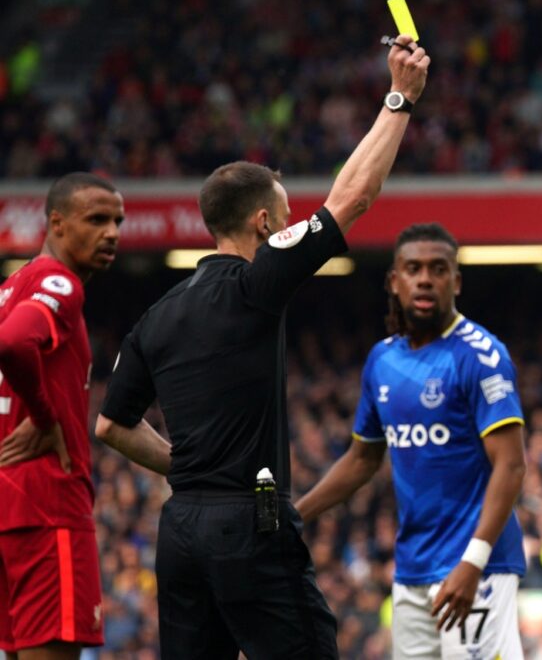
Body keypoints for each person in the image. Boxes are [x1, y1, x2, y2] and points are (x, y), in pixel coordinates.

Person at [93, 35, 430, 659]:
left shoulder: (156, 316)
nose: (292, 219)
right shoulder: (258, 281)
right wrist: (399, 99)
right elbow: (351, 198)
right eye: (285, 212)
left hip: (181, 530)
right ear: (264, 225)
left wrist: (188, 470)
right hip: (250, 523)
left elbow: (112, 425)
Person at [295, 222, 527, 660]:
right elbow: (362, 459)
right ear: (394, 281)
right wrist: (297, 514)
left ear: (455, 282)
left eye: (438, 269)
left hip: (478, 571)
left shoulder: (481, 356)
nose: (425, 278)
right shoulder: (383, 359)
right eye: (413, 268)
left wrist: (472, 563)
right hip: (412, 570)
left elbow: (511, 466)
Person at [0, 173, 123, 659]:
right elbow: (12, 344)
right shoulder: (60, 284)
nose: (111, 232)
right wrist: (46, 417)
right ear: (56, 223)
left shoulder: (11, 287)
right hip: (49, 506)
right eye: (96, 220)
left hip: (11, 505)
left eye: (117, 221)